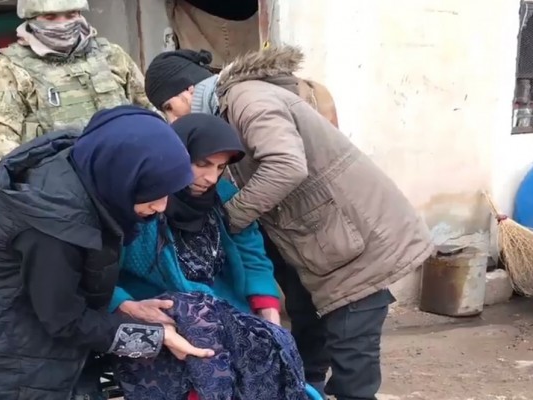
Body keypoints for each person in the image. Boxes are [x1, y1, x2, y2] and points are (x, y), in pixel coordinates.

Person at [143, 47, 434, 400]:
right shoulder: (230, 114)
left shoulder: (247, 100)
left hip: (359, 241)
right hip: (331, 241)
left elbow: (286, 166)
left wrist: (229, 217)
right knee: (309, 347)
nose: (172, 121)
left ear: (187, 91)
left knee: (352, 357)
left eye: (169, 108)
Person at [0, 106, 216, 400]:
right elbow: (63, 319)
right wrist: (153, 339)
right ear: (122, 179)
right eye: (152, 194)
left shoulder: (87, 169)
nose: (161, 207)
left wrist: (125, 306)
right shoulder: (55, 223)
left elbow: (64, 287)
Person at [111, 113, 309, 399]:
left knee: (273, 356)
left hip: (224, 313)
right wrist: (125, 305)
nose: (211, 178)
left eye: (220, 167)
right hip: (156, 316)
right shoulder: (144, 203)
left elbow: (252, 255)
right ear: (174, 155)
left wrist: (268, 312)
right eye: (202, 164)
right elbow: (97, 277)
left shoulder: (223, 197)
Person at [0, 0, 155, 162]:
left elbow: (149, 109)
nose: (62, 24)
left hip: (123, 166)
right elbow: (0, 133)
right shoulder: (8, 66)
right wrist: (23, 180)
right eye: (50, 17)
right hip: (56, 177)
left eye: (71, 15)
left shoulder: (111, 55)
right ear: (31, 18)